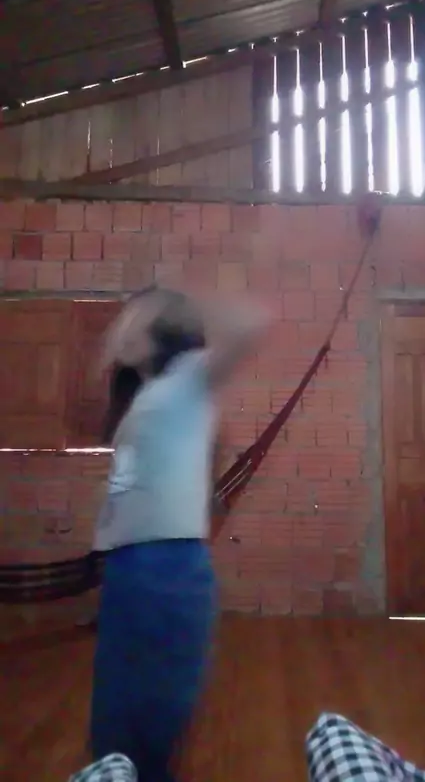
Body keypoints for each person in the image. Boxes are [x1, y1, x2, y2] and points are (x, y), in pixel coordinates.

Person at [90, 285, 270, 782]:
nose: (122, 326)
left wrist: (184, 297)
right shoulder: (144, 397)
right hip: (126, 571)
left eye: (135, 319)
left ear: (163, 330)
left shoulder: (188, 377)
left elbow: (252, 322)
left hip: (166, 569)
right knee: (113, 725)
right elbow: (126, 485)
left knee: (151, 726)